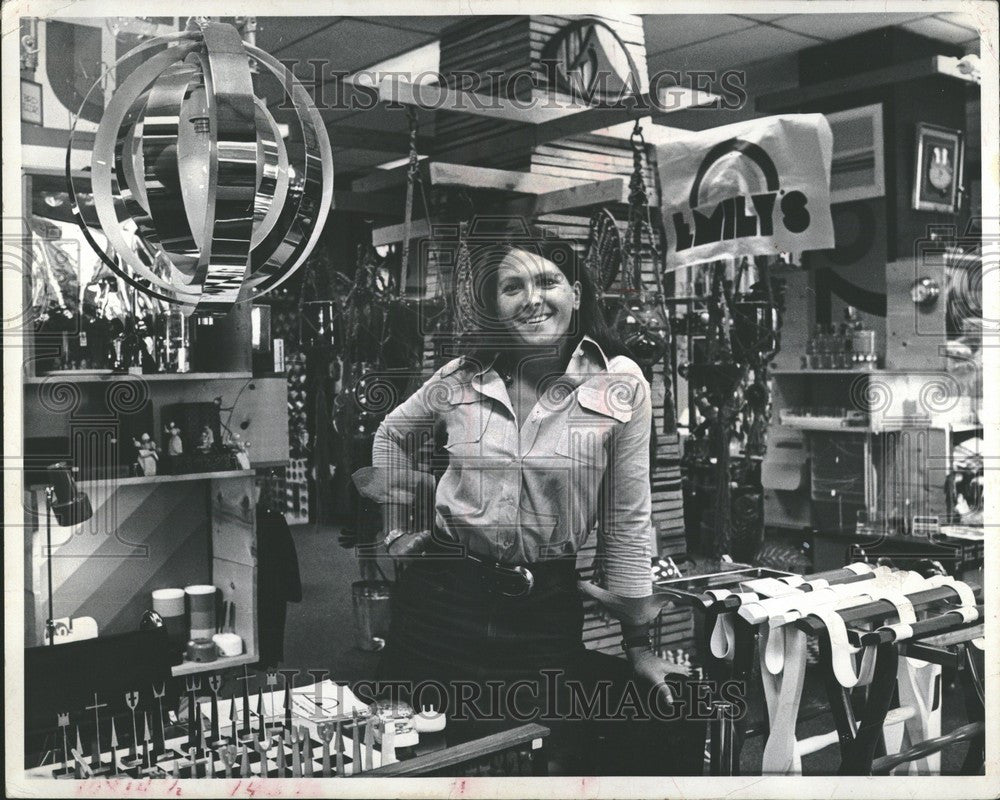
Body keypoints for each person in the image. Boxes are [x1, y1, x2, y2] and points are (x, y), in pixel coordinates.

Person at [356, 226, 698, 774]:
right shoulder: (460, 377)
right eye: (512, 287)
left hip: (542, 610)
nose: (533, 299)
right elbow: (389, 436)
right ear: (495, 305)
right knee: (420, 757)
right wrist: (398, 528)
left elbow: (628, 520)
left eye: (549, 281)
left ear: (577, 293)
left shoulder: (620, 382)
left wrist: (638, 644)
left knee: (538, 759)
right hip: (441, 602)